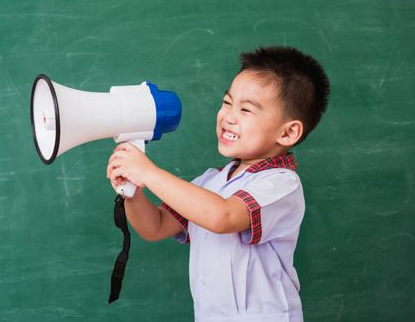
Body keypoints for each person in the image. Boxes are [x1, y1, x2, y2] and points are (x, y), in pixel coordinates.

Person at [106, 46, 330, 322]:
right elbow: (156, 226)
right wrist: (134, 193)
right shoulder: (211, 181)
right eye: (227, 103)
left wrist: (149, 173)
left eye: (246, 110)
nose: (229, 116)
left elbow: (222, 216)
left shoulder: (281, 185)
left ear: (288, 132)